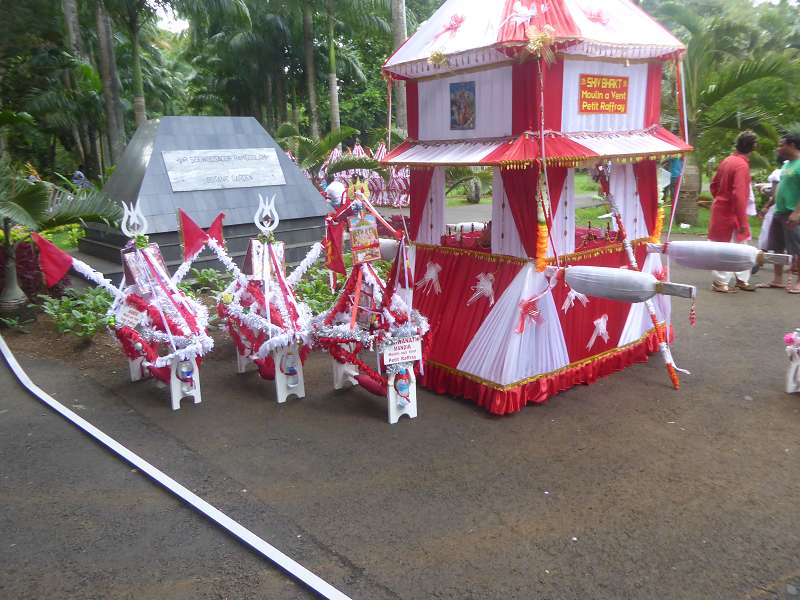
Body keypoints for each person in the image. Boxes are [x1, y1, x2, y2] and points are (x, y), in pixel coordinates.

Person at [707, 130, 758, 292]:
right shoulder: (742, 165)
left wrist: (720, 199)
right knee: (729, 248)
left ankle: (741, 279)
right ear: (753, 147)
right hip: (732, 213)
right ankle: (721, 282)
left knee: (739, 246)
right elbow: (739, 195)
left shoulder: (728, 160)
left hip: (722, 209)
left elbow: (714, 185)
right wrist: (743, 221)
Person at [767, 130, 800, 293]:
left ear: (791, 145)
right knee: (776, 246)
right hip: (779, 211)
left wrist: (797, 212)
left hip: (792, 213)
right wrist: (769, 204)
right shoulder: (787, 164)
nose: (779, 148)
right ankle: (777, 279)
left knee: (797, 248)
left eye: (782, 145)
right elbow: (781, 187)